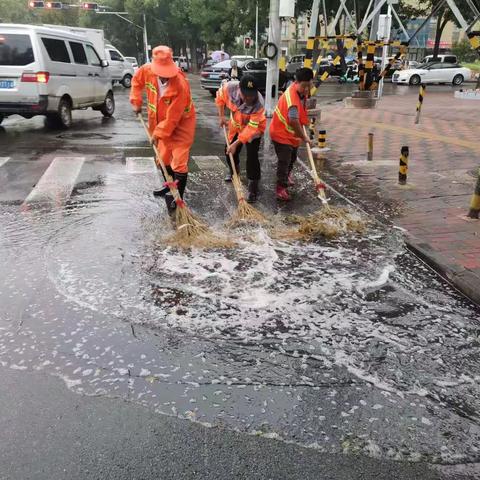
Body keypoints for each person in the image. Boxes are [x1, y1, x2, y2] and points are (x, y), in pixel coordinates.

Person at [130, 45, 196, 211]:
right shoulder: (146, 70)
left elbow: (173, 118)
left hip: (182, 124)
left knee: (179, 162)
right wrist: (136, 102)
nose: (165, 78)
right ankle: (169, 185)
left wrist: (157, 134)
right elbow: (136, 83)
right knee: (163, 158)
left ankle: (178, 198)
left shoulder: (180, 85)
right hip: (158, 121)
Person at [215, 74, 266, 203]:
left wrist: (237, 143)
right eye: (246, 95)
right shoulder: (229, 88)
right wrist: (221, 116)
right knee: (229, 151)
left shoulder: (259, 103)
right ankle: (234, 172)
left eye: (252, 95)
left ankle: (253, 186)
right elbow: (220, 98)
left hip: (253, 130)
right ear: (239, 90)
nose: (249, 98)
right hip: (235, 125)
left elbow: (250, 129)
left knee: (252, 157)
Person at [269, 67, 313, 201]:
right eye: (304, 86)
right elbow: (293, 121)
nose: (306, 89)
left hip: (291, 134)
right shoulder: (292, 100)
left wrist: (305, 126)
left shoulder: (301, 92)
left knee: (293, 157)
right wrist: (304, 137)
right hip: (280, 133)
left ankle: (287, 174)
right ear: (297, 82)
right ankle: (280, 188)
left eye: (309, 85)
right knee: (284, 161)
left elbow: (302, 110)